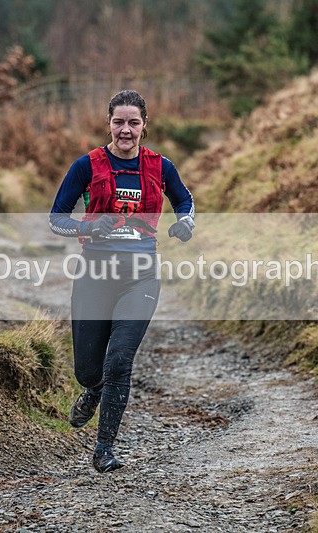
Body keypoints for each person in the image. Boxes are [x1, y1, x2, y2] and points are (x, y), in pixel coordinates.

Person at [49, 89, 195, 473]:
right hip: (95, 275)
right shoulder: (87, 165)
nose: (125, 130)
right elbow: (56, 218)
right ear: (109, 123)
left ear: (145, 125)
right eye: (119, 122)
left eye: (133, 122)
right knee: (88, 370)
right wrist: (89, 226)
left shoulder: (161, 167)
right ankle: (92, 390)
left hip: (140, 277)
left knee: (119, 361)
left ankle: (104, 447)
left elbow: (184, 200)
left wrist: (185, 222)